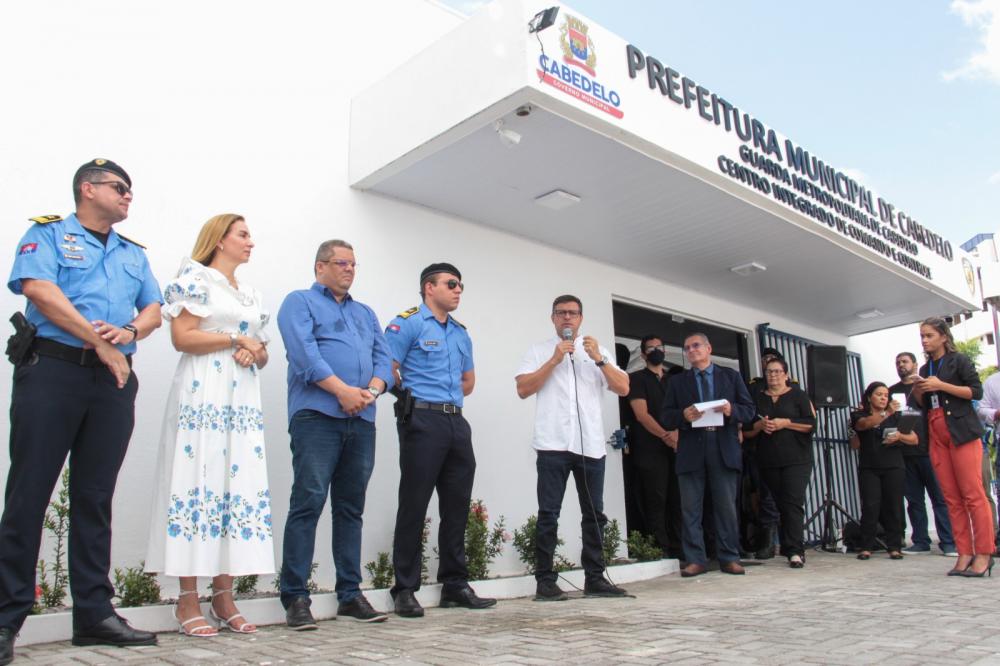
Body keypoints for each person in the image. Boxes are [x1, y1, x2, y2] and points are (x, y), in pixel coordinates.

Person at [0, 159, 161, 663]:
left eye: (130, 189)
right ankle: (6, 618)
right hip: (53, 371)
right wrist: (99, 341)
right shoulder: (47, 235)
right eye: (119, 187)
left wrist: (130, 333)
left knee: (95, 498)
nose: (128, 195)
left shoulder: (134, 253)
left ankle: (94, 614)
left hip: (112, 382)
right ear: (87, 189)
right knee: (29, 494)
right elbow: (39, 292)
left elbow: (154, 308)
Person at [145, 214, 273, 637]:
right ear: (220, 240)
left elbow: (263, 351)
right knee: (198, 479)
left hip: (242, 398)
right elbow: (182, 336)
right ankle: (187, 599)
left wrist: (254, 351)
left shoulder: (250, 293)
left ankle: (224, 594)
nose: (250, 241)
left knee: (236, 487)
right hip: (204, 392)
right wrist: (235, 340)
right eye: (243, 234)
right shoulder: (195, 277)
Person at [277, 240, 392, 626]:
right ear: (320, 266)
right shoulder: (300, 302)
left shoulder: (365, 312)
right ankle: (295, 596)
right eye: (342, 263)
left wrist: (370, 392)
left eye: (354, 264)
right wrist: (342, 391)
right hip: (317, 416)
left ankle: (349, 595)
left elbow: (384, 358)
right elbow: (304, 353)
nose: (349, 269)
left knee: (350, 508)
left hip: (361, 420)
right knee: (308, 502)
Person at [385, 263, 494, 618]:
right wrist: (415, 400)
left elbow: (468, 380)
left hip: (456, 423)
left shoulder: (461, 333)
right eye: (451, 284)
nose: (458, 289)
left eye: (461, 284)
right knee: (414, 503)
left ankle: (454, 584)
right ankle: (404, 588)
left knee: (457, 507)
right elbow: (387, 366)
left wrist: (445, 402)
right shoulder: (409, 322)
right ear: (429, 287)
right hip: (423, 420)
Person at [516, 295, 630, 600]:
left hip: (590, 445)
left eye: (573, 313)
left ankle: (594, 578)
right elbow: (523, 389)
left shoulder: (597, 350)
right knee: (548, 514)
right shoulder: (539, 350)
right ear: (552, 318)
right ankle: (545, 582)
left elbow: (623, 388)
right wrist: (554, 359)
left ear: (581, 318)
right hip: (552, 444)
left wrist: (600, 359)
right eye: (561, 313)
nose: (567, 318)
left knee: (595, 515)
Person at [661, 333, 754, 577]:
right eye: (687, 347)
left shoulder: (730, 376)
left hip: (722, 445)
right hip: (692, 447)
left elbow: (749, 410)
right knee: (690, 509)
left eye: (696, 346)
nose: (691, 350)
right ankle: (695, 559)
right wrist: (683, 416)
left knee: (726, 507)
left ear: (709, 348)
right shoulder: (678, 382)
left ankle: (729, 557)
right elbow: (666, 416)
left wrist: (731, 409)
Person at [911, 317, 994, 577]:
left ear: (944, 337)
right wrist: (918, 389)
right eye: (922, 336)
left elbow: (976, 392)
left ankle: (984, 553)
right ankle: (964, 552)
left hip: (961, 430)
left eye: (929, 336)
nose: (925, 340)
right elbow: (923, 403)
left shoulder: (959, 361)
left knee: (973, 494)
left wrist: (941, 385)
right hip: (936, 430)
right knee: (951, 498)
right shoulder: (925, 369)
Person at [744, 357, 815, 568]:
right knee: (779, 503)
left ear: (785, 374)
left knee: (793, 502)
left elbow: (811, 425)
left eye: (776, 371)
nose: (772, 375)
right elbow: (746, 431)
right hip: (768, 460)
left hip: (797, 459)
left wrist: (787, 423)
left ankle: (795, 551)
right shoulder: (758, 398)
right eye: (769, 372)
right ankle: (787, 545)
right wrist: (759, 426)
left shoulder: (798, 396)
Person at [889, 352, 957, 556]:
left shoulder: (927, 386)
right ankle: (920, 541)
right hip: (905, 454)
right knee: (914, 500)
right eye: (898, 362)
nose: (901, 365)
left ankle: (948, 542)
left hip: (930, 450)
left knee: (940, 498)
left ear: (915, 364)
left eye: (905, 361)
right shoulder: (891, 391)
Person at [626, 335, 682, 559]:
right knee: (655, 498)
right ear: (642, 354)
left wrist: (677, 433)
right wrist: (665, 435)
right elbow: (641, 414)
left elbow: (684, 411)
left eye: (660, 347)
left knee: (678, 498)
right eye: (651, 348)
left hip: (677, 447)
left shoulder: (674, 381)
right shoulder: (636, 379)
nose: (656, 351)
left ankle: (680, 547)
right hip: (650, 448)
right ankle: (660, 549)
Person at [849, 382, 916, 560]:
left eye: (886, 395)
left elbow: (914, 439)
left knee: (893, 505)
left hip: (893, 465)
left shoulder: (897, 416)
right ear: (870, 397)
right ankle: (866, 546)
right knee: (870, 505)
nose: (883, 398)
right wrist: (886, 413)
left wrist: (900, 436)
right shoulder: (859, 414)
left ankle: (894, 546)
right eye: (879, 394)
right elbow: (864, 425)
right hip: (869, 466)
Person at [742, 347, 787, 559]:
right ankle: (769, 544)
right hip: (760, 448)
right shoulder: (754, 386)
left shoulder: (793, 389)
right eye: (765, 361)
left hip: (788, 450)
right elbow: (748, 416)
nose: (769, 366)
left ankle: (789, 543)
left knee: (788, 498)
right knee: (765, 497)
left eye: (773, 362)